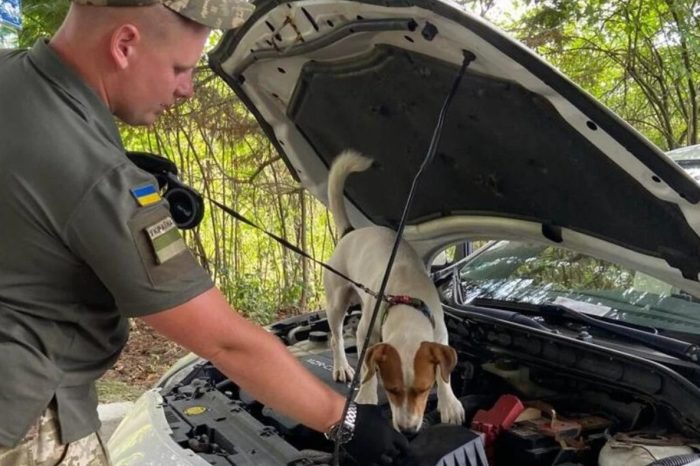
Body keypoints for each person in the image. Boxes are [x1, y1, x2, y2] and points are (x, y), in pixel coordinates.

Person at [0, 1, 410, 465]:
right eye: (180, 68)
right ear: (124, 44)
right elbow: (223, 340)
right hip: (25, 423)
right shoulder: (100, 179)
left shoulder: (10, 76)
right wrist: (348, 421)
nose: (187, 90)